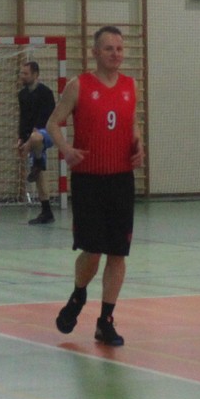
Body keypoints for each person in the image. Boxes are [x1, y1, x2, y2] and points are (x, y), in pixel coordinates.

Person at [46, 26, 143, 348]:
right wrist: (66, 150)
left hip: (121, 179)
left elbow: (131, 123)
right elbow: (53, 123)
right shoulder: (80, 85)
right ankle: (78, 295)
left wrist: (138, 144)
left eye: (119, 48)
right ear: (95, 52)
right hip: (89, 180)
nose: (116, 54)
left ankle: (106, 320)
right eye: (109, 48)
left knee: (118, 252)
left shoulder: (131, 86)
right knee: (92, 250)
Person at [17, 60, 57, 225]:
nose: (22, 76)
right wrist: (21, 139)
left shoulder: (46, 92)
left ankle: (38, 161)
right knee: (40, 175)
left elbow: (46, 118)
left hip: (47, 133)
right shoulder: (22, 94)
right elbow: (24, 119)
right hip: (32, 137)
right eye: (22, 73)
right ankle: (46, 211)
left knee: (35, 137)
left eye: (26, 73)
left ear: (35, 75)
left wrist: (28, 144)